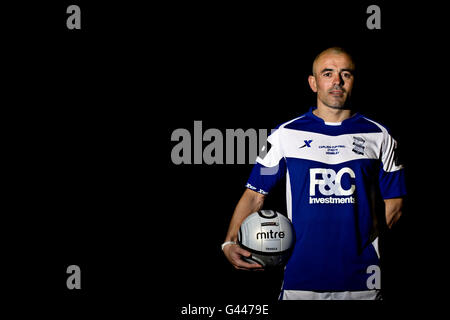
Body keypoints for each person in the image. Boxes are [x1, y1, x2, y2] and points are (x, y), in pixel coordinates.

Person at [221, 47, 406, 300]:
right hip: (300, 281)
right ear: (313, 82)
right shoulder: (284, 134)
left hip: (362, 283)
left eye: (346, 74)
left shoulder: (380, 136)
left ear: (354, 81)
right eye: (327, 73)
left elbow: (394, 205)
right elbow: (255, 195)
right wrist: (229, 242)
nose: (337, 81)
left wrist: (354, 245)